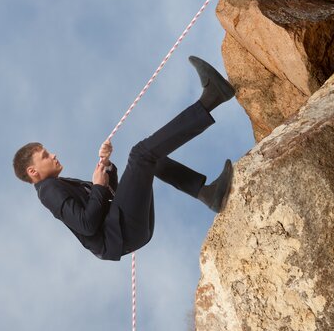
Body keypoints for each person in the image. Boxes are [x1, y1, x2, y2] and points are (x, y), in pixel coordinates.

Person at [13, 56, 235, 261]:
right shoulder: (48, 190)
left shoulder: (57, 186)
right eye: (44, 156)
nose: (53, 155)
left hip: (129, 232)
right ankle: (212, 97)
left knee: (150, 159)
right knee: (141, 154)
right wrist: (98, 186)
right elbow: (87, 225)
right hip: (122, 233)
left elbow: (114, 195)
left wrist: (107, 166)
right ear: (33, 171)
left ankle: (208, 194)